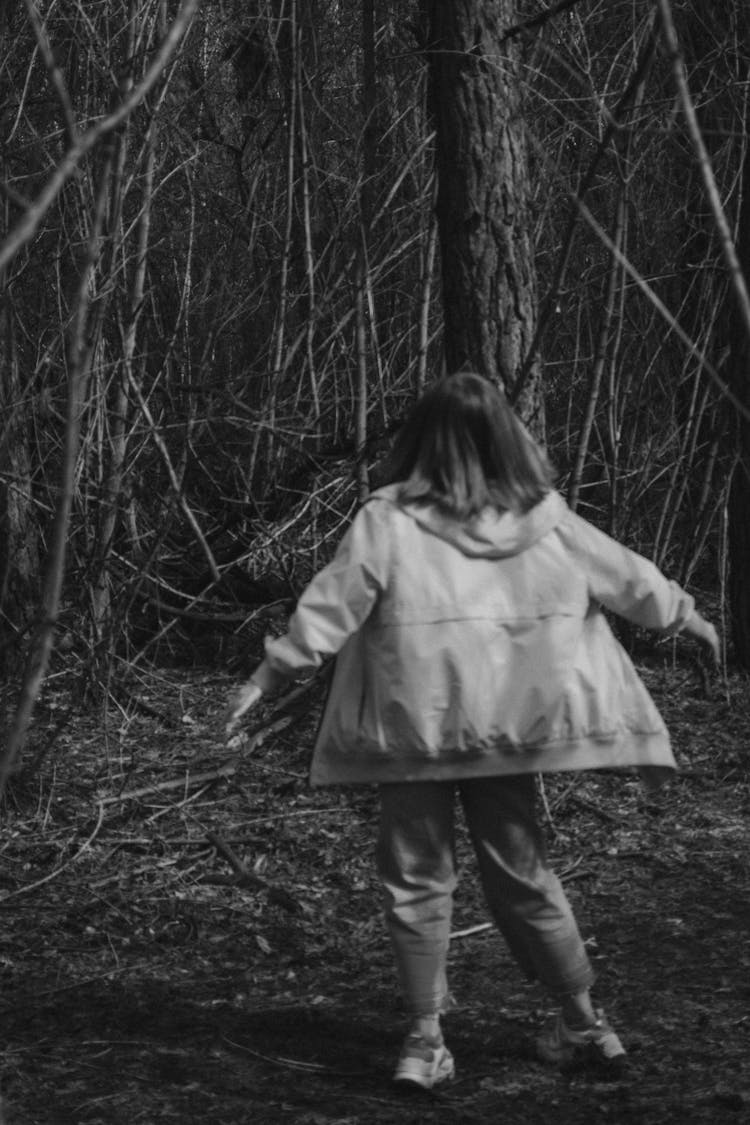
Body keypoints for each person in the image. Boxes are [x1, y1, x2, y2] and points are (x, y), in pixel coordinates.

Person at [225, 371, 719, 1090]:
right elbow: (628, 577)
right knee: (524, 875)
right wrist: (687, 614)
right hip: (506, 736)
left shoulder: (387, 520)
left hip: (413, 735)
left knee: (417, 880)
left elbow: (326, 612)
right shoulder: (545, 519)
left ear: (420, 439)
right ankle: (584, 1021)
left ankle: (425, 1040)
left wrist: (267, 677)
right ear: (506, 439)